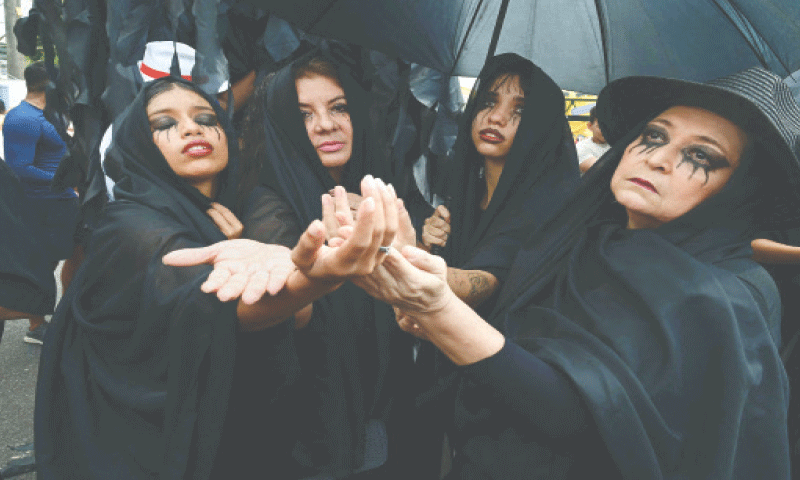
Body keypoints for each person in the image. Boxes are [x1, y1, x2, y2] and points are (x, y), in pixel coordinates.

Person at [303, 67, 797, 477]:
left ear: (742, 192)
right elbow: (519, 344)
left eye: (700, 156)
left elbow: (579, 417)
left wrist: (438, 308)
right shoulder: (584, 238)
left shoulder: (724, 300)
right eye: (653, 136)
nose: (661, 160)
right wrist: (427, 305)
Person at [34, 76, 400, 479]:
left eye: (206, 117)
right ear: (137, 144)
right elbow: (213, 306)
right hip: (144, 445)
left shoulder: (250, 205)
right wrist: (317, 278)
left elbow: (298, 318)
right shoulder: (131, 226)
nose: (191, 128)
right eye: (163, 124)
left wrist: (271, 265)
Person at [237, 51, 416, 478]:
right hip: (311, 439)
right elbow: (287, 310)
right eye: (303, 115)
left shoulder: (367, 190)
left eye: (338, 107)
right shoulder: (269, 205)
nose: (326, 124)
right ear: (281, 127)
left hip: (372, 425)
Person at [421, 53, 579, 315]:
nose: (495, 117)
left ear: (540, 127)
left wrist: (390, 248)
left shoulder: (545, 207)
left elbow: (485, 284)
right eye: (488, 102)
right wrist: (430, 244)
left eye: (520, 111)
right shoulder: (466, 194)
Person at [3, 62, 78, 345]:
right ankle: (36, 325)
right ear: (50, 85)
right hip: (42, 204)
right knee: (43, 263)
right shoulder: (23, 118)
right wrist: (66, 183)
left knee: (76, 253)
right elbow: (20, 167)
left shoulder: (48, 114)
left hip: (63, 201)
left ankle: (70, 311)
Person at [575, 106, 610, 174]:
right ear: (590, 126)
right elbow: (599, 170)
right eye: (600, 126)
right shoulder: (581, 147)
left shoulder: (616, 143)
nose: (605, 130)